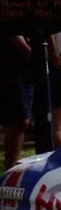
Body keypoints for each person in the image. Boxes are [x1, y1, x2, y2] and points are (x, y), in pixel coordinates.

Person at [0, 36, 33, 168]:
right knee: (18, 121)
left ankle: (11, 165)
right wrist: (28, 50)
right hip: (10, 71)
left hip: (25, 72)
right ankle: (10, 165)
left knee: (21, 122)